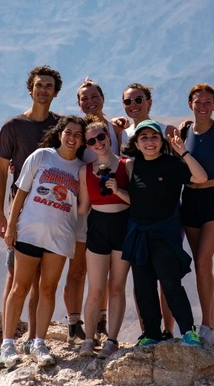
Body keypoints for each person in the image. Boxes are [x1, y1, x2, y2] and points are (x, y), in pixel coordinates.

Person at [0, 116, 88, 368]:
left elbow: (82, 205)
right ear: (60, 133)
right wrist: (11, 226)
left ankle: (39, 343)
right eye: (69, 132)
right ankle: (7, 345)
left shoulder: (81, 168)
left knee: (48, 289)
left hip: (60, 236)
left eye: (78, 135)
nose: (72, 138)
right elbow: (22, 190)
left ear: (83, 140)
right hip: (29, 231)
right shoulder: (41, 156)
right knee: (19, 287)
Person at [0, 65, 62, 357]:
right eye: (39, 85)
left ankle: (34, 339)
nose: (43, 90)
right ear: (30, 89)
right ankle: (6, 343)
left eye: (49, 86)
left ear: (55, 92)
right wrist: (1, 215)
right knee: (15, 279)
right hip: (20, 213)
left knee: (42, 283)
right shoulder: (13, 127)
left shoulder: (61, 127)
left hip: (50, 215)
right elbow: (0, 173)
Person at [121, 119, 207, 347]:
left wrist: (183, 153)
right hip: (139, 235)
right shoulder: (131, 165)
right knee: (144, 287)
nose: (149, 142)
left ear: (161, 141)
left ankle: (189, 331)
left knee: (170, 284)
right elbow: (134, 199)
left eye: (154, 137)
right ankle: (151, 333)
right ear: (137, 143)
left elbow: (201, 178)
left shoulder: (172, 164)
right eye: (144, 138)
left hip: (164, 235)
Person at [117, 82, 177, 338]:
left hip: (167, 215)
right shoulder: (121, 134)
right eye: (128, 102)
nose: (133, 106)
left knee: (167, 275)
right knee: (141, 274)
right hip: (135, 215)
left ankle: (168, 329)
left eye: (138, 100)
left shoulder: (166, 131)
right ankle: (147, 329)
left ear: (149, 102)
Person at [179, 84, 214, 345]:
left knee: (202, 260)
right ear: (190, 104)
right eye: (198, 102)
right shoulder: (184, 130)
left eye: (207, 102)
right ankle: (211, 325)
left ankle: (207, 325)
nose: (202, 107)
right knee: (202, 267)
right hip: (189, 199)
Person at [77, 119, 130, 359]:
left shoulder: (127, 165)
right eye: (91, 141)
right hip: (97, 227)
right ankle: (88, 340)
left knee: (117, 287)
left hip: (123, 226)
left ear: (109, 138)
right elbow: (83, 207)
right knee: (96, 289)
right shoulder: (84, 171)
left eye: (101, 137)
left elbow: (137, 201)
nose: (97, 143)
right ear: (87, 145)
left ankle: (111, 340)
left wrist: (118, 190)